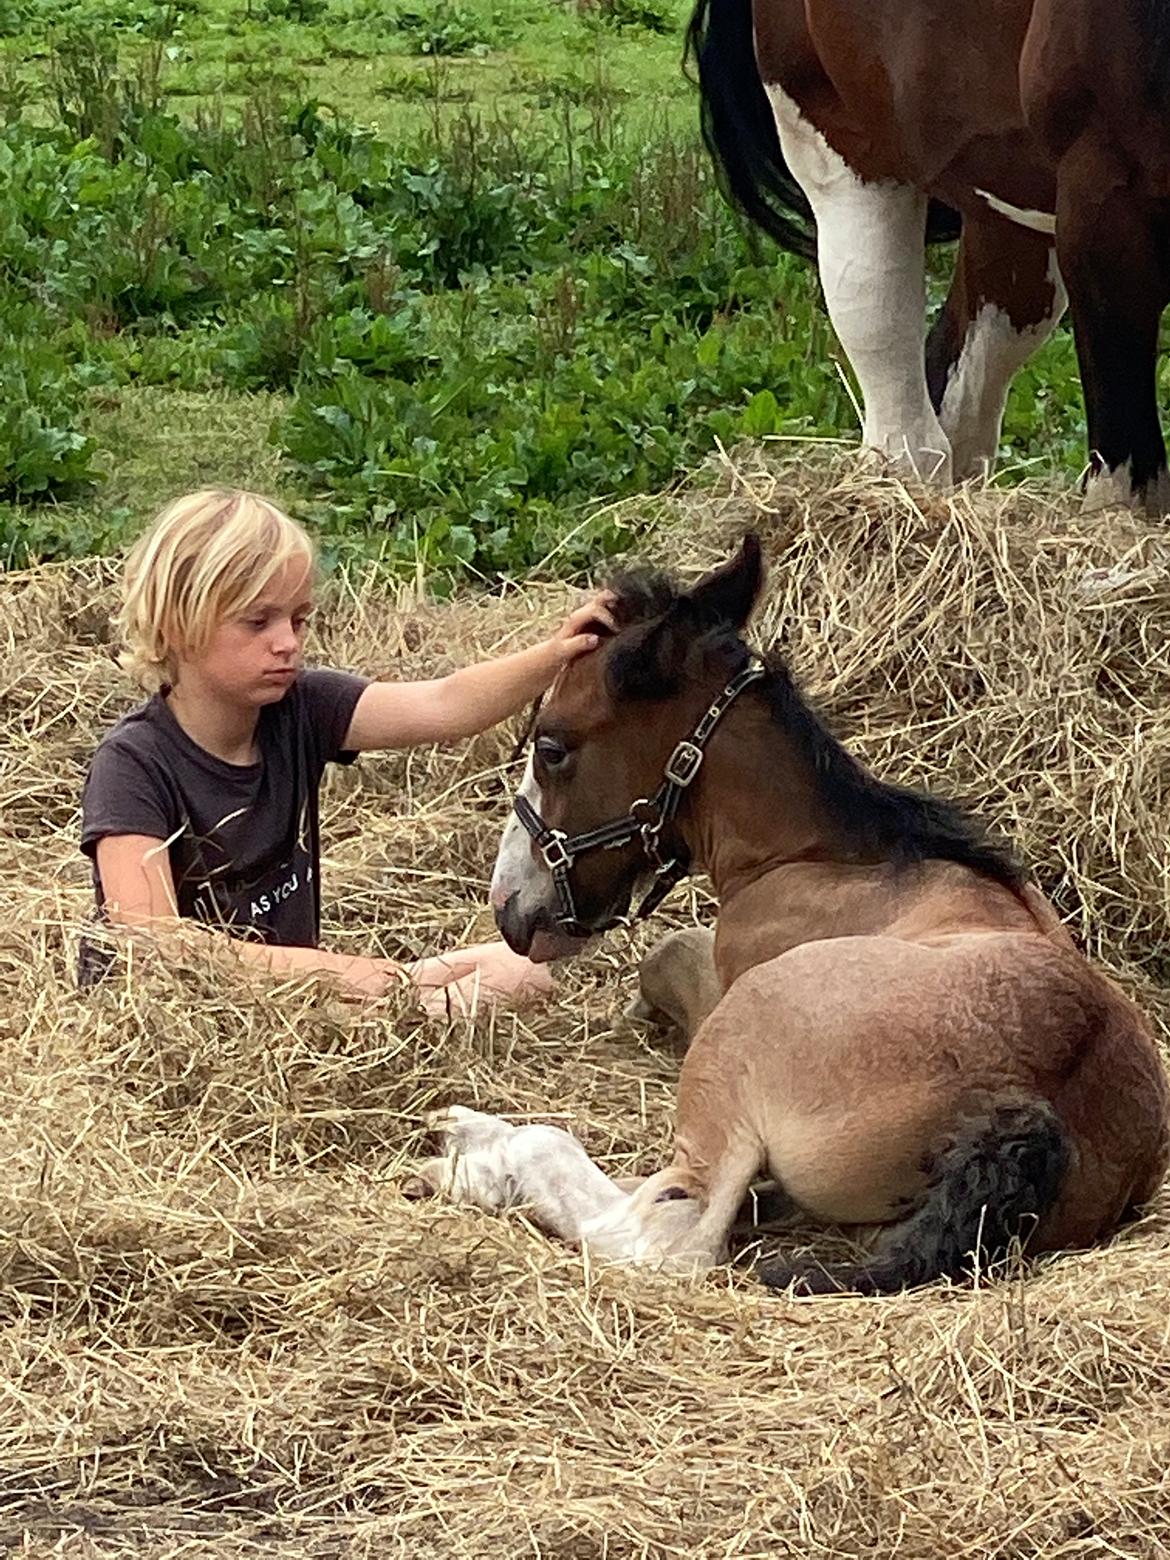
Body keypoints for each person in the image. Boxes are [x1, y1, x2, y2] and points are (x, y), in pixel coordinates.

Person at [79, 488, 614, 1014]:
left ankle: (403, 1006)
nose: (287, 642)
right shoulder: (134, 764)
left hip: (298, 996)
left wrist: (558, 654)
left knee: (525, 975)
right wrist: (349, 975)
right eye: (258, 621)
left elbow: (446, 704)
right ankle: (404, 1009)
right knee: (441, 998)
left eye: (298, 618)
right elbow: (150, 944)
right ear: (178, 624)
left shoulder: (300, 707)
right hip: (188, 1017)